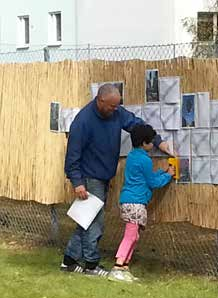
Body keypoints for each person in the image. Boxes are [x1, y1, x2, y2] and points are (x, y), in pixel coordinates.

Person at [61, 83, 173, 277]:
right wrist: (77, 182)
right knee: (96, 222)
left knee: (86, 220)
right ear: (100, 100)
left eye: (117, 106)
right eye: (112, 106)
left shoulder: (116, 113)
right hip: (89, 176)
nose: (115, 110)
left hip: (104, 176)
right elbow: (72, 155)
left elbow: (138, 126)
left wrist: (158, 141)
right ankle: (91, 265)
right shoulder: (83, 122)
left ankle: (69, 261)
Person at [108, 124, 174, 282]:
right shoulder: (145, 160)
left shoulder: (132, 156)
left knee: (134, 236)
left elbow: (145, 177)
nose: (153, 145)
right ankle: (117, 267)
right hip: (136, 202)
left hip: (128, 200)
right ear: (145, 143)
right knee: (130, 236)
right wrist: (168, 175)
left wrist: (161, 172)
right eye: (151, 142)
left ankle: (124, 266)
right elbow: (152, 183)